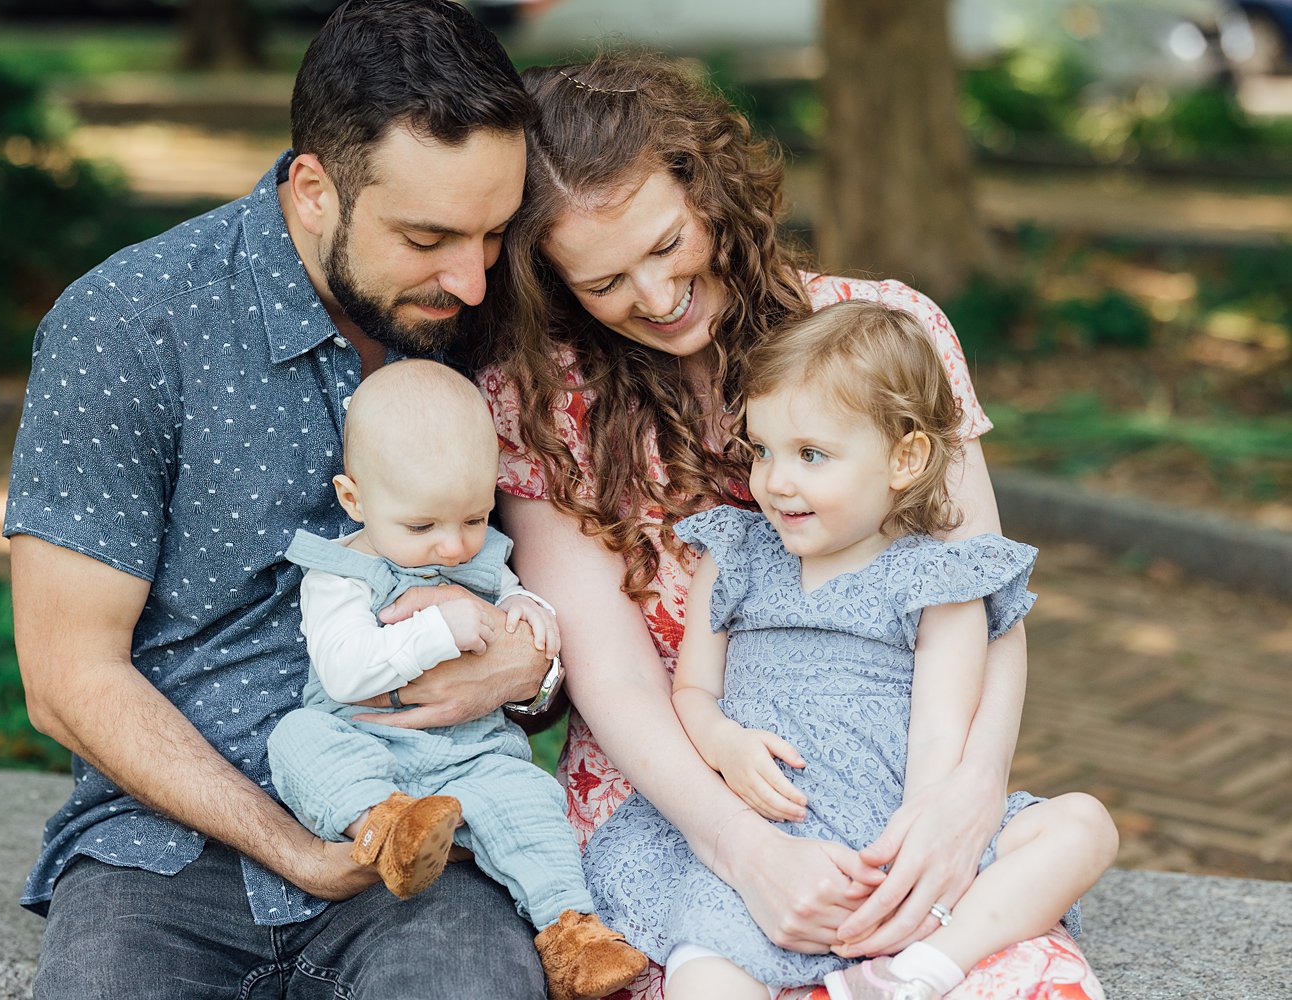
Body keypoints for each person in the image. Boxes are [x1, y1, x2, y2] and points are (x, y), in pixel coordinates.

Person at [469, 53, 1108, 998]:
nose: (652, 296)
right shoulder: (539, 401)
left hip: (892, 771)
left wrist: (964, 800)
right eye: (604, 282)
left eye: (665, 244)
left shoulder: (889, 332)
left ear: (709, 189)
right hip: (679, 793)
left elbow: (979, 601)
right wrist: (743, 849)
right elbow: (613, 673)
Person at [2, 2, 558, 996]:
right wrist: (296, 847)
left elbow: (566, 590)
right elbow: (67, 676)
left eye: (494, 232)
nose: (472, 280)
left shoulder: (495, 318)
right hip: (163, 849)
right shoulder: (127, 325)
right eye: (427, 235)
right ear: (313, 189)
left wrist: (531, 664)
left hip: (432, 827)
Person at [579, 300, 1118, 999]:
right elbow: (693, 689)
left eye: (811, 455)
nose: (775, 480)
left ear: (905, 458)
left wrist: (914, 843)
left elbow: (939, 732)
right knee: (703, 971)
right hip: (778, 826)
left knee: (1083, 827)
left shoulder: (938, 579)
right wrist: (723, 743)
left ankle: (924, 966)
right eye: (763, 449)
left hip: (892, 821)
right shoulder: (736, 553)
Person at [266, 359, 647, 1000]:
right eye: (423, 527)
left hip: (472, 757)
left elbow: (519, 613)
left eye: (474, 518)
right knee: (297, 740)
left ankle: (571, 930)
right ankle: (388, 828)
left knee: (530, 806)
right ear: (354, 498)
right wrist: (441, 627)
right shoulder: (338, 573)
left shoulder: (482, 555)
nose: (453, 547)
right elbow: (343, 669)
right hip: (368, 745)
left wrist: (530, 610)